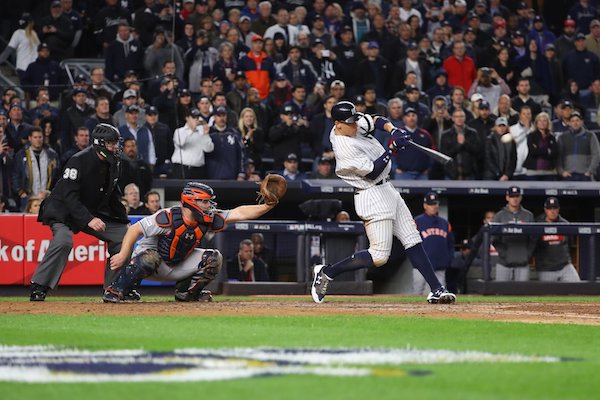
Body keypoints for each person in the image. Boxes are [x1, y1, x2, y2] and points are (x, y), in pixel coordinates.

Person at [310, 101, 456, 304]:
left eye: (355, 120)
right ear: (338, 124)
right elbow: (373, 171)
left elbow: (377, 120)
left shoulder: (354, 123)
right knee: (379, 256)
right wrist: (393, 148)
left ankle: (436, 289)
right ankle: (327, 272)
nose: (355, 125)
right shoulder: (344, 148)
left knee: (412, 238)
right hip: (371, 194)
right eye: (350, 122)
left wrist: (394, 130)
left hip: (387, 188)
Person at [103, 181, 279, 302]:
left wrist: (268, 205)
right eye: (203, 202)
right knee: (150, 257)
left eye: (208, 202)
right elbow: (134, 229)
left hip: (178, 262)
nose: (208, 206)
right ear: (191, 201)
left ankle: (186, 293)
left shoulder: (208, 218)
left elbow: (240, 213)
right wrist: (123, 254)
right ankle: (118, 289)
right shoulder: (168, 216)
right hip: (151, 264)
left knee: (214, 258)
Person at [29, 124, 130, 302]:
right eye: (111, 143)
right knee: (63, 241)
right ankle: (39, 286)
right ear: (100, 143)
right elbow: (68, 196)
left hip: (89, 209)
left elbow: (113, 193)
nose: (115, 147)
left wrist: (123, 220)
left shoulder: (115, 162)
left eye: (116, 143)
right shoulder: (78, 160)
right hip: (63, 211)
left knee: (123, 236)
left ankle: (114, 288)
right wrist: (89, 219)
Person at [413, 192, 455, 295]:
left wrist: (448, 259)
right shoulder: (417, 221)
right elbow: (410, 243)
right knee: (417, 293)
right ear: (425, 205)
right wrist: (415, 260)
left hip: (440, 265)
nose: (433, 207)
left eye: (435, 204)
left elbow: (451, 243)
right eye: (431, 204)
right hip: (421, 265)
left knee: (440, 294)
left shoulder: (445, 223)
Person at [492, 185, 535, 282]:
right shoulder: (499, 216)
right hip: (503, 263)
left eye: (517, 196)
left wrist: (527, 254)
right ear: (507, 197)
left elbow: (533, 239)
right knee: (501, 293)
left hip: (523, 262)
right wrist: (504, 254)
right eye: (512, 196)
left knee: (522, 294)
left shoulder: (528, 215)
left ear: (520, 197)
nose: (514, 199)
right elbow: (494, 238)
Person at [12, 127, 60, 210]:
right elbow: (15, 175)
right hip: (27, 198)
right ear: (30, 138)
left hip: (47, 198)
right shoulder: (21, 155)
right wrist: (21, 192)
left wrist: (50, 193)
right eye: (35, 137)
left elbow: (57, 176)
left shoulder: (52, 155)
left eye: (40, 137)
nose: (38, 140)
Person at [534, 197, 581, 282]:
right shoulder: (538, 224)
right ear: (545, 210)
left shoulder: (565, 224)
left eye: (555, 208)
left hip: (565, 267)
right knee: (548, 295)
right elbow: (534, 246)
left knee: (577, 287)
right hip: (546, 269)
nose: (552, 211)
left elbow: (570, 244)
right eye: (549, 208)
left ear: (558, 209)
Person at [170, 108, 214, 179]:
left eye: (197, 117)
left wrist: (206, 134)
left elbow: (209, 149)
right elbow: (180, 144)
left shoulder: (202, 132)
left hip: (198, 170)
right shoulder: (179, 131)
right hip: (181, 169)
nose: (196, 119)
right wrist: (192, 130)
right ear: (187, 118)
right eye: (193, 117)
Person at [556, 111, 600, 181]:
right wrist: (561, 171)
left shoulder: (590, 135)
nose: (575, 123)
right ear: (569, 123)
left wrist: (590, 171)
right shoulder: (563, 137)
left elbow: (596, 154)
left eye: (577, 120)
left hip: (585, 175)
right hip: (568, 175)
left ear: (582, 122)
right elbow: (558, 156)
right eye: (572, 121)